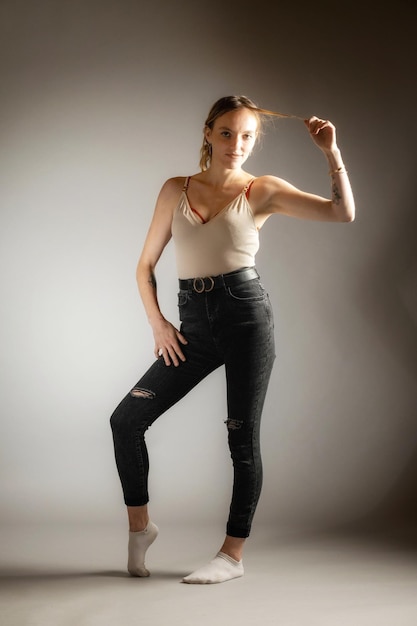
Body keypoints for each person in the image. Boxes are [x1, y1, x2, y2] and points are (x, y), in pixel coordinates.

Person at [110, 95, 355, 584]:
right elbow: (144, 266)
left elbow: (341, 213)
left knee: (241, 440)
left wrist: (332, 153)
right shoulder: (175, 189)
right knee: (126, 420)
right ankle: (141, 527)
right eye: (227, 133)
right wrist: (160, 325)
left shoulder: (261, 190)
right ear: (208, 133)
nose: (236, 144)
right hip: (192, 326)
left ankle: (231, 555)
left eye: (246, 136)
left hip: (245, 319)